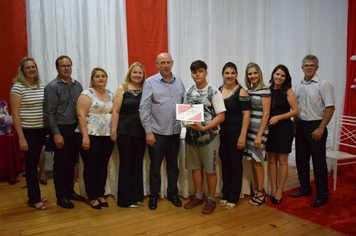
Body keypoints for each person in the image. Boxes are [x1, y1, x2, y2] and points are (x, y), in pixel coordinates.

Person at [139, 52, 185, 210]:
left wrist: (191, 115)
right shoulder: (150, 82)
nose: (166, 65)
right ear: (157, 64)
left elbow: (185, 104)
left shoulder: (179, 81)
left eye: (168, 62)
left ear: (172, 63)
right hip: (157, 132)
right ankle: (153, 196)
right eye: (162, 63)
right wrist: (148, 131)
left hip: (175, 132)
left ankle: (173, 194)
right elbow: (144, 108)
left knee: (173, 166)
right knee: (155, 166)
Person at [290, 55, 335, 208]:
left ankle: (322, 195)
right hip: (301, 126)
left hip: (316, 126)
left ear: (317, 67)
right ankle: (305, 188)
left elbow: (330, 107)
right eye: (306, 65)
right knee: (301, 160)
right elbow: (296, 109)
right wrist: (295, 126)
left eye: (312, 65)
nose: (309, 67)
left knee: (318, 163)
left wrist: (321, 128)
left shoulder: (324, 84)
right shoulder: (297, 86)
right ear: (302, 67)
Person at [183, 60, 226, 214]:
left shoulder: (214, 92)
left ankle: (211, 199)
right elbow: (186, 112)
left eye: (200, 71)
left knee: (210, 169)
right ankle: (198, 196)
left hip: (210, 137)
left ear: (206, 72)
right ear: (191, 74)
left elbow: (221, 116)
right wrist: (184, 120)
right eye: (194, 72)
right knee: (195, 168)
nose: (197, 74)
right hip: (191, 137)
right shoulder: (188, 91)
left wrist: (205, 127)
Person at [44, 55, 85, 209]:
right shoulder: (52, 86)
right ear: (57, 68)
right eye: (63, 66)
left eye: (69, 65)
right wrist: (56, 134)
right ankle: (61, 196)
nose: (66, 68)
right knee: (61, 164)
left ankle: (70, 191)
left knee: (71, 162)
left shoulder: (77, 85)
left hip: (75, 129)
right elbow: (49, 112)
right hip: (61, 129)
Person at [10, 57, 48, 210]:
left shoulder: (41, 85)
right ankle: (34, 198)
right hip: (28, 131)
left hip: (41, 130)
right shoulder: (18, 88)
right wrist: (21, 138)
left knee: (35, 164)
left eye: (33, 67)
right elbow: (15, 114)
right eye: (28, 68)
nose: (31, 69)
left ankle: (36, 194)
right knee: (31, 166)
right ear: (22, 70)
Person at [75, 67, 114, 210]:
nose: (101, 78)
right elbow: (81, 115)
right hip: (90, 136)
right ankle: (92, 196)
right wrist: (85, 137)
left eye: (103, 76)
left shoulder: (110, 94)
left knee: (102, 166)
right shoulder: (86, 94)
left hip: (106, 136)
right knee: (91, 167)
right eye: (97, 76)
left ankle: (100, 194)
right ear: (92, 79)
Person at [111, 62, 146, 208]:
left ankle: (137, 196)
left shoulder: (146, 89)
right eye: (135, 72)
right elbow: (115, 111)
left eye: (140, 73)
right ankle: (125, 200)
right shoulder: (122, 88)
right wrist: (113, 131)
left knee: (137, 165)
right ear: (130, 74)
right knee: (126, 165)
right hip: (124, 132)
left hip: (141, 132)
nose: (137, 75)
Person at [218, 62, 251, 210]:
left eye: (232, 73)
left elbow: (246, 115)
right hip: (221, 135)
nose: (230, 76)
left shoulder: (242, 92)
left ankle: (234, 197)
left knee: (235, 166)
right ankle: (225, 194)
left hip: (236, 135)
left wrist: (242, 135)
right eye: (227, 73)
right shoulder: (218, 90)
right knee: (225, 165)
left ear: (236, 75)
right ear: (222, 75)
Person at [265, 65, 299, 204]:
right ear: (273, 75)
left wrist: (280, 117)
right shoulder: (267, 91)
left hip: (284, 128)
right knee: (272, 160)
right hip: (270, 129)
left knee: (283, 161)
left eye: (282, 75)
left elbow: (295, 111)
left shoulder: (288, 91)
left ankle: (280, 190)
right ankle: (273, 188)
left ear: (286, 78)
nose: (279, 77)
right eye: (277, 74)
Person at [244, 62, 271, 206]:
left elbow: (266, 115)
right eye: (250, 74)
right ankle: (257, 189)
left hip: (259, 131)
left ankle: (261, 192)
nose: (253, 76)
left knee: (257, 162)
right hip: (249, 130)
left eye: (255, 73)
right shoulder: (249, 90)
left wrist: (260, 135)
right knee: (253, 162)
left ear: (259, 73)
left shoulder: (265, 90)